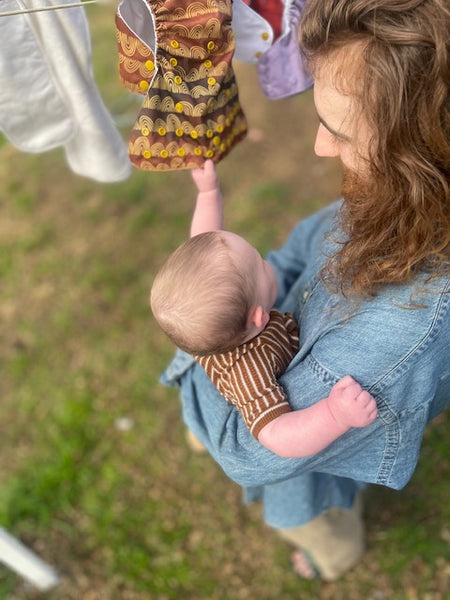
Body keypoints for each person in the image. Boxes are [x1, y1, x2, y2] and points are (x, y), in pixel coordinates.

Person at [161, 0, 450, 582]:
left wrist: (205, 352)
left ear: (421, 150)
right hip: (268, 398)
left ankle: (330, 557)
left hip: (310, 453)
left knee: (312, 509)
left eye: (340, 130)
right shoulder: (397, 199)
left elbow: (249, 450)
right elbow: (295, 249)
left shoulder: (411, 316)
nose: (319, 147)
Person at [151, 159, 378, 457]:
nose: (266, 260)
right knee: (205, 419)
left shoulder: (230, 321)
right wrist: (335, 415)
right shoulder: (250, 373)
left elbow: (203, 238)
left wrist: (208, 193)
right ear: (258, 317)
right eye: (260, 263)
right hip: (230, 390)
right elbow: (278, 434)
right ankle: (198, 429)